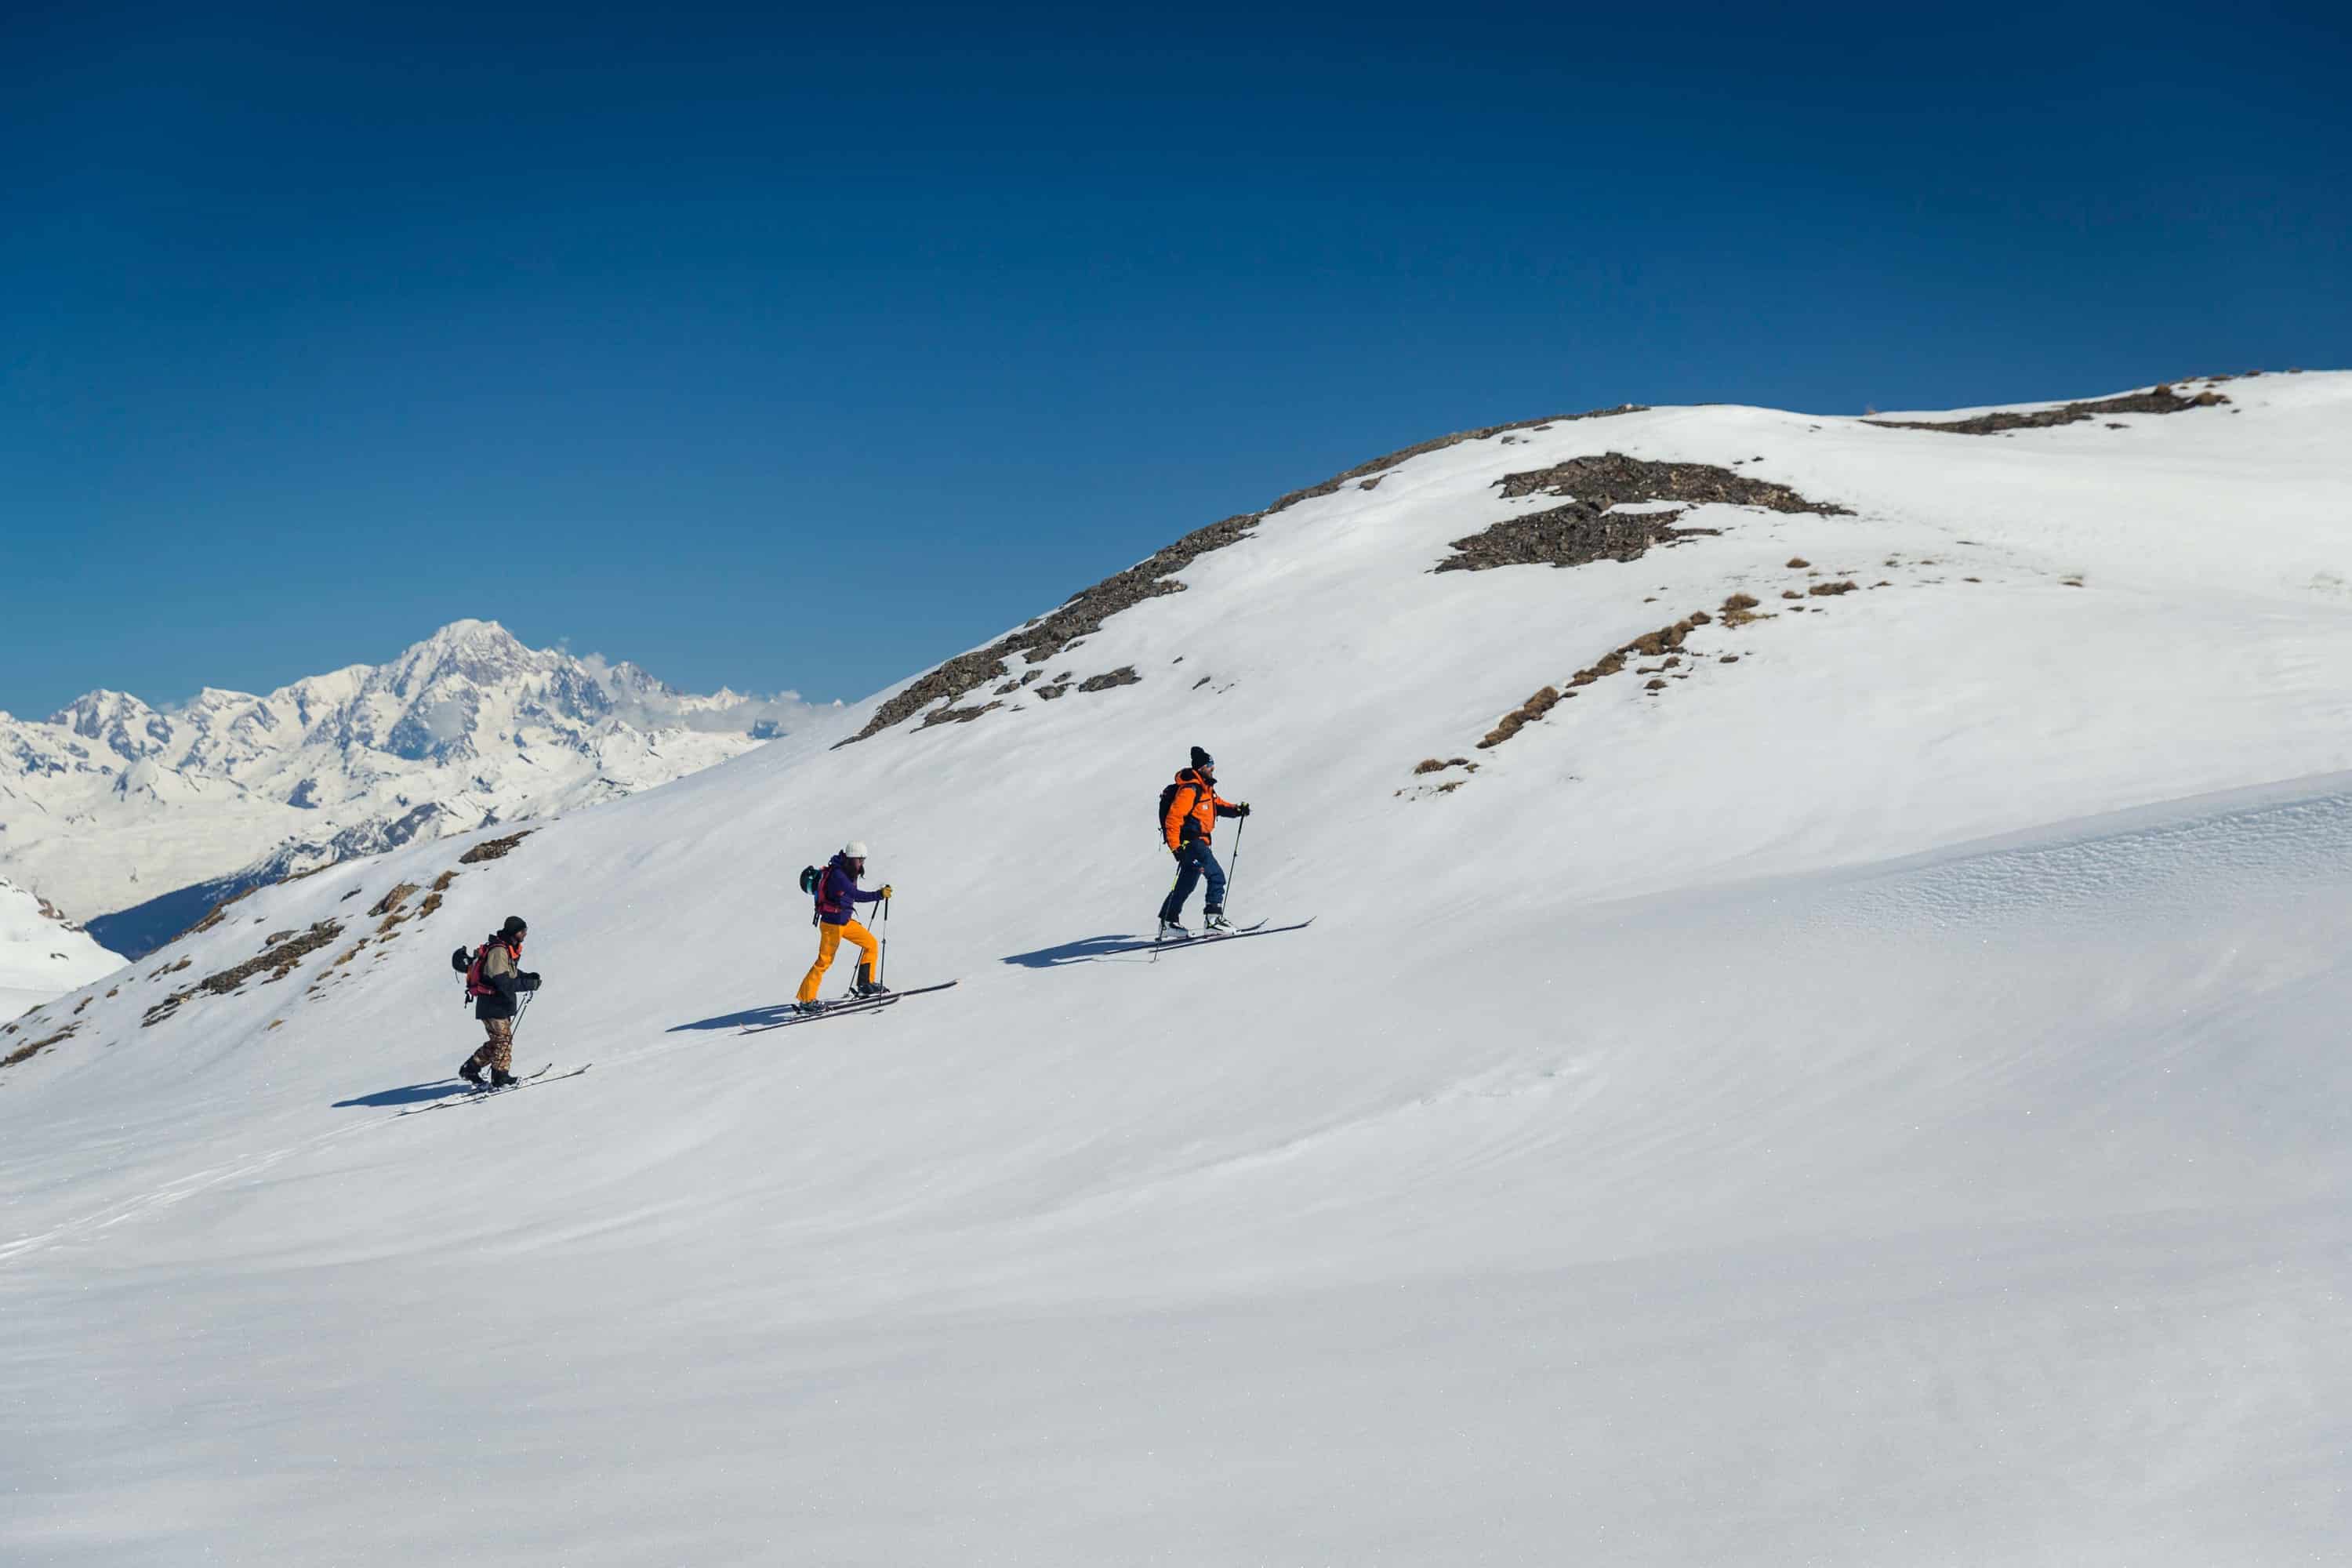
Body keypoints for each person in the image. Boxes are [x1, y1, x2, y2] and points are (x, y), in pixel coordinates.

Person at [1159, 746, 1250, 938]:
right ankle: (1213, 919)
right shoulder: (1190, 790)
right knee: (1216, 876)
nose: (1213, 769)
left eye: (1213, 765)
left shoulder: (1206, 789)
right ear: (1201, 768)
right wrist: (1176, 848)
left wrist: (1237, 810)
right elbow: (1173, 819)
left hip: (1198, 843)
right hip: (1191, 843)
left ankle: (1168, 921)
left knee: (1186, 882)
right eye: (1210, 766)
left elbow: (1219, 806)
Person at [798, 841, 894, 1012]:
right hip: (832, 925)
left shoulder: (850, 871)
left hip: (844, 921)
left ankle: (865, 984)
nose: (862, 863)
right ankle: (806, 1000)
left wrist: (879, 891)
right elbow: (855, 895)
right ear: (851, 859)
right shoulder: (839, 875)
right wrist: (879, 895)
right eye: (860, 860)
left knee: (870, 944)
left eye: (863, 860)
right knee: (824, 961)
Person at [459, 916, 541, 1087]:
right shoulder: (499, 950)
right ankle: (500, 1077)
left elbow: (511, 972)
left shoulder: (507, 948)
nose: (525, 934)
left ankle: (471, 1068)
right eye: (523, 931)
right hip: (492, 1004)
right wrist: (527, 984)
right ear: (515, 932)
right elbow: (502, 981)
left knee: (498, 1041)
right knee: (504, 1040)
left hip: (497, 1004)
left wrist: (528, 977)